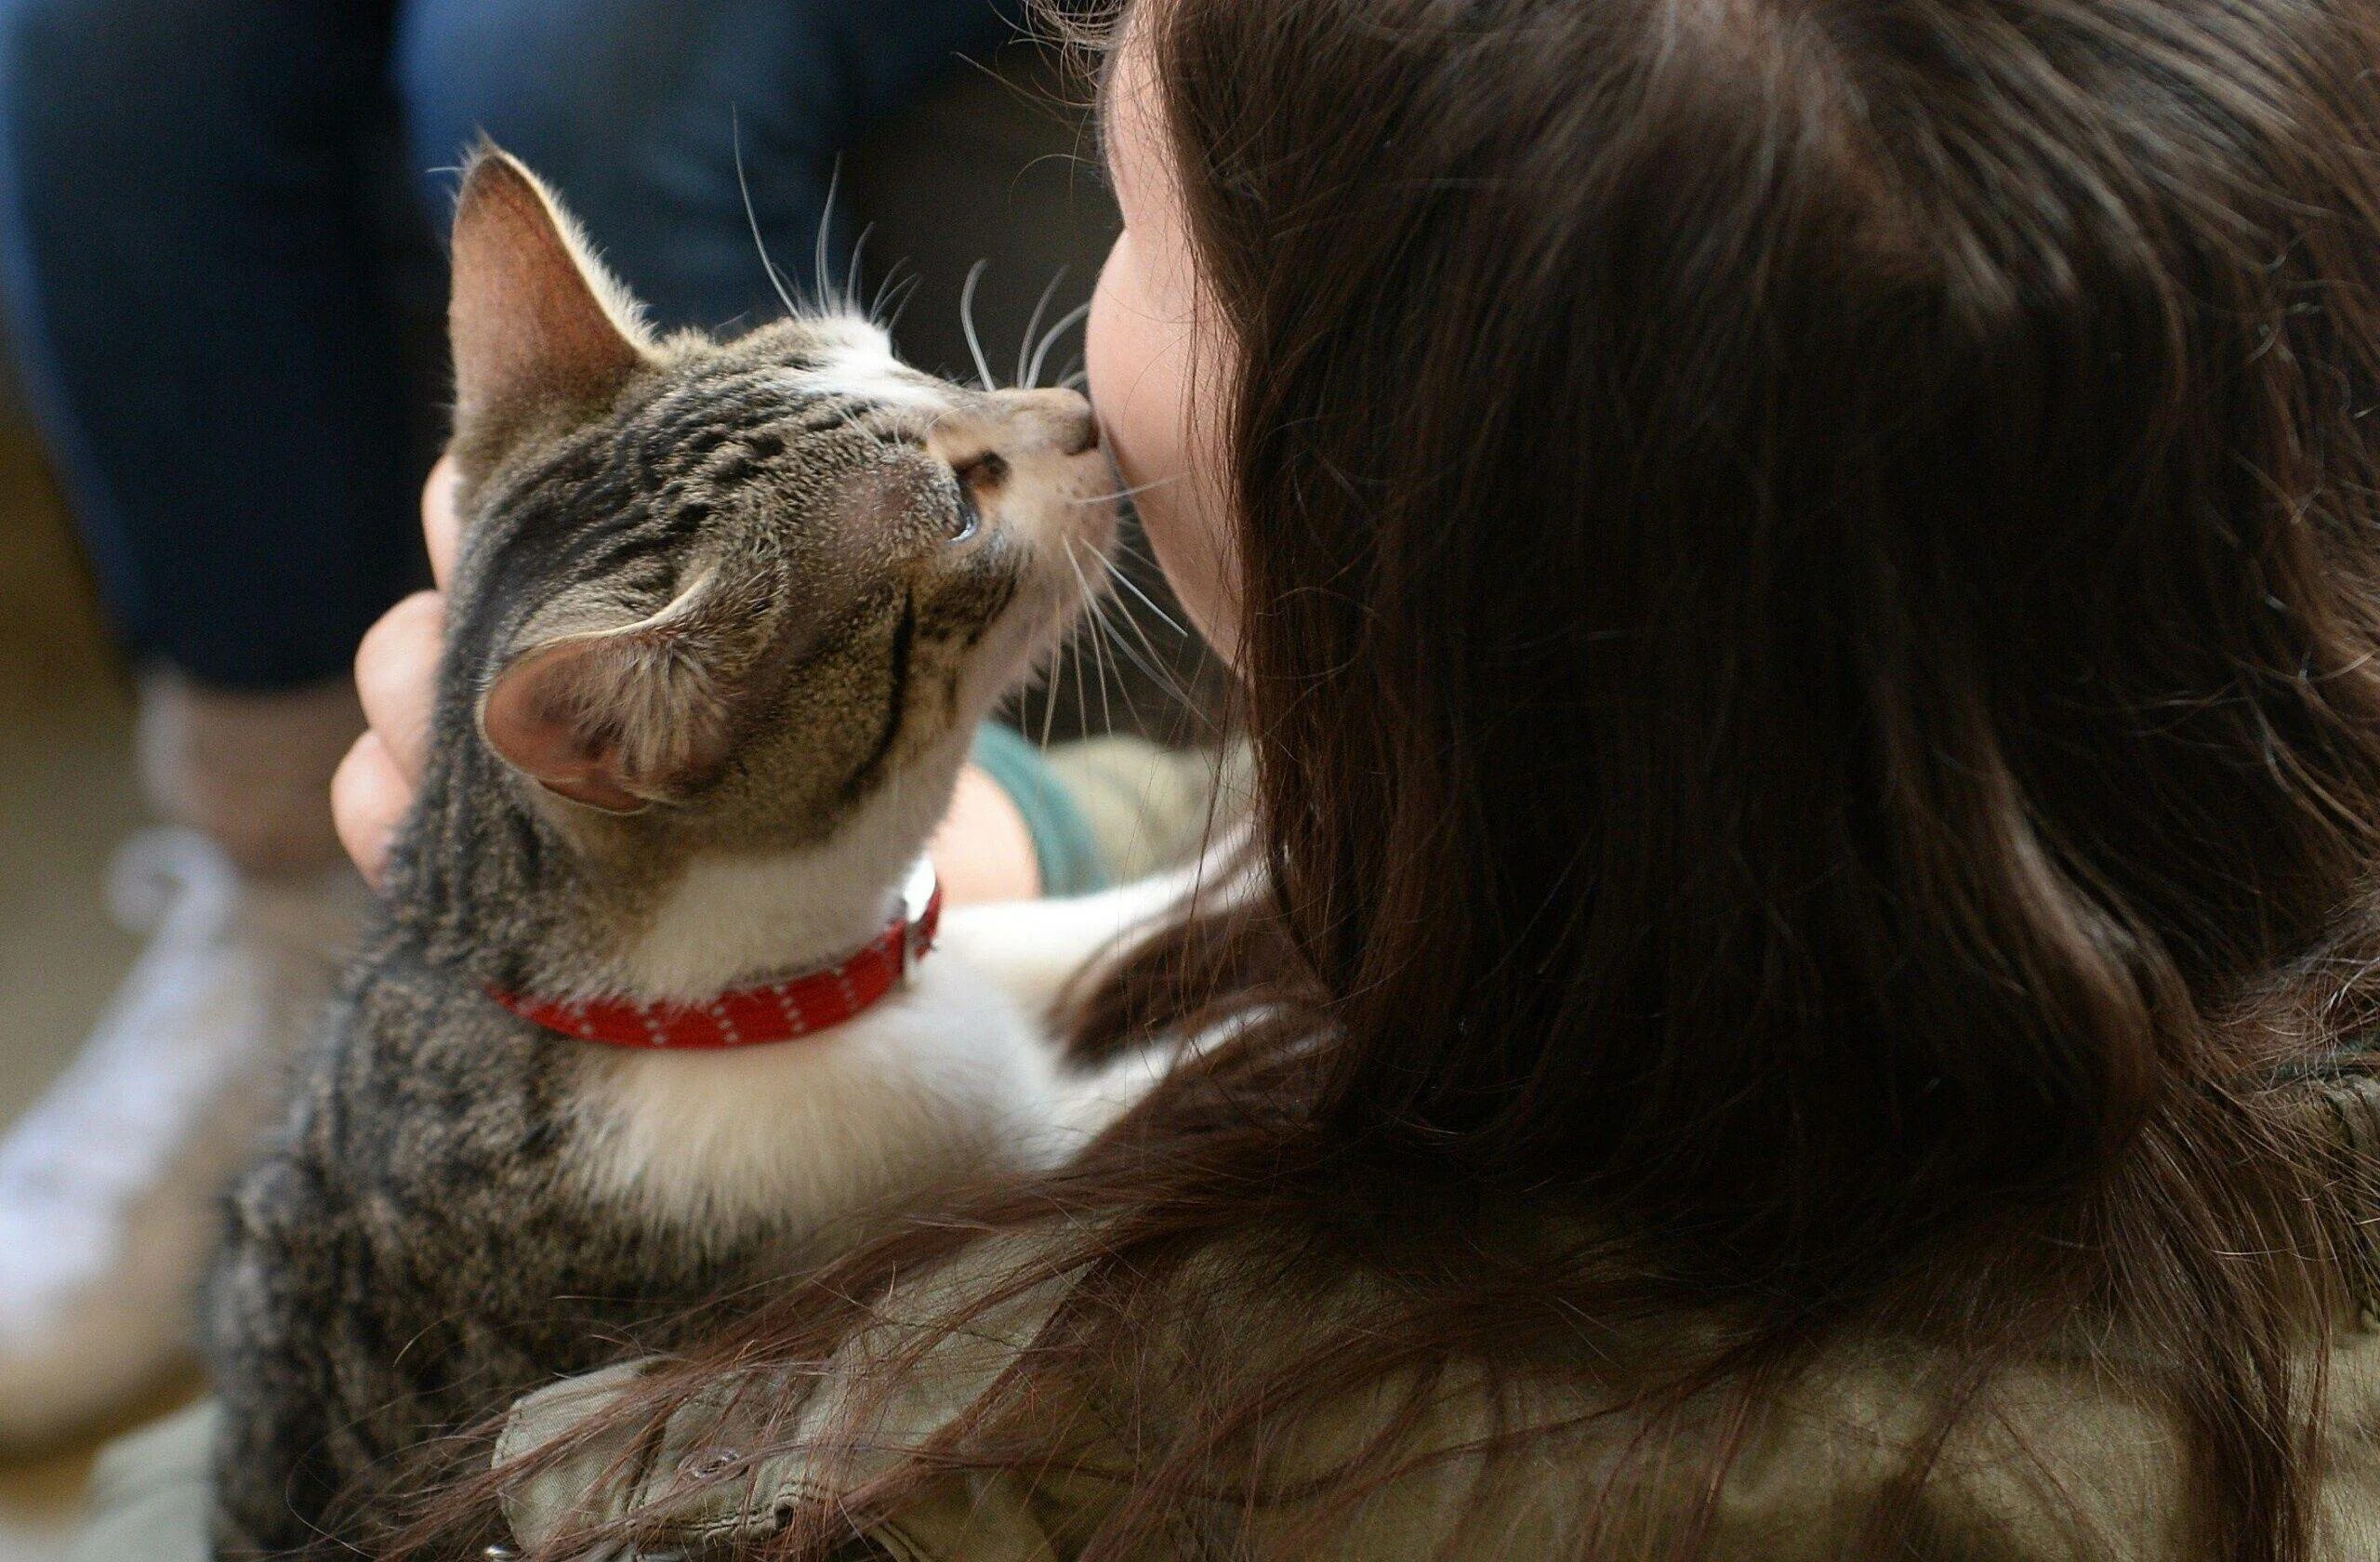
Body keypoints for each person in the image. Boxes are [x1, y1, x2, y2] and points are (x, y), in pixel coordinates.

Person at [74, 0, 2380, 1553]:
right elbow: (1300, 822)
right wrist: (1013, 839)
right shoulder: (2042, 808)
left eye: (1135, 229)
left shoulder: (1014, 1440)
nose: (1061, 361)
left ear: (1394, 517)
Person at [0, 0, 1209, 1450]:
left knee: (574, 60)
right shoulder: (790, 1161)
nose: (1054, 413)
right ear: (643, 741)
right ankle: (273, 886)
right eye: (962, 488)